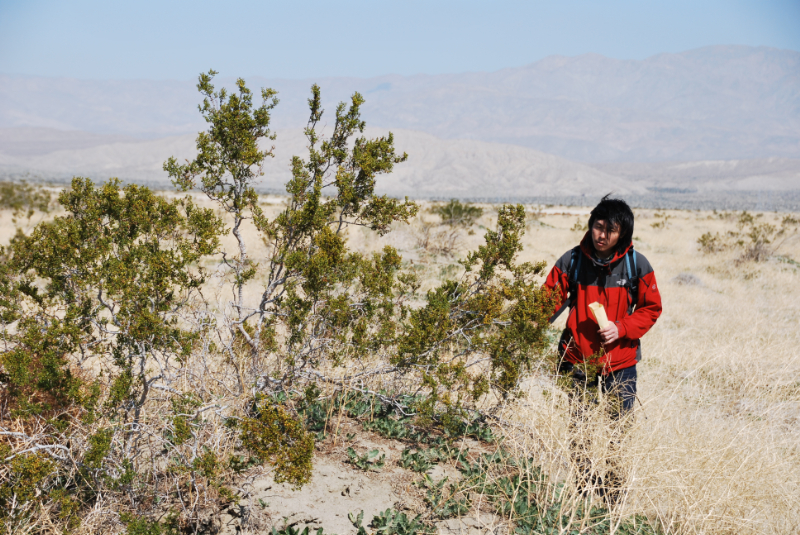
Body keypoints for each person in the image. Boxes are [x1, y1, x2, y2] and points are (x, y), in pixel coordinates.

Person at [544, 195, 662, 503]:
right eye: (598, 226)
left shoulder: (637, 265)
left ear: (623, 233)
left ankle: (612, 497)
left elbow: (651, 308)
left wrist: (621, 328)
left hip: (620, 363)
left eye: (610, 230)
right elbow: (545, 304)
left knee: (617, 430)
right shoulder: (572, 260)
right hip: (576, 360)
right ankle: (581, 490)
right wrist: (520, 329)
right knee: (577, 426)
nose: (602, 235)